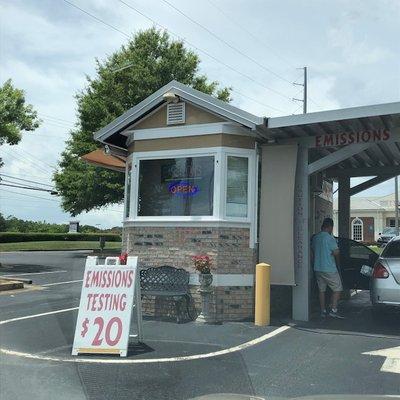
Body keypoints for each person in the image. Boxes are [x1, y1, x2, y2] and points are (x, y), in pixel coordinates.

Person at [311, 217, 344, 318]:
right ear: (330, 227)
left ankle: (323, 310)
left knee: (322, 290)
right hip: (329, 268)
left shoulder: (316, 237)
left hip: (318, 268)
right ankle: (333, 310)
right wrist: (338, 266)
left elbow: (312, 251)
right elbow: (336, 253)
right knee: (338, 288)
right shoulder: (330, 238)